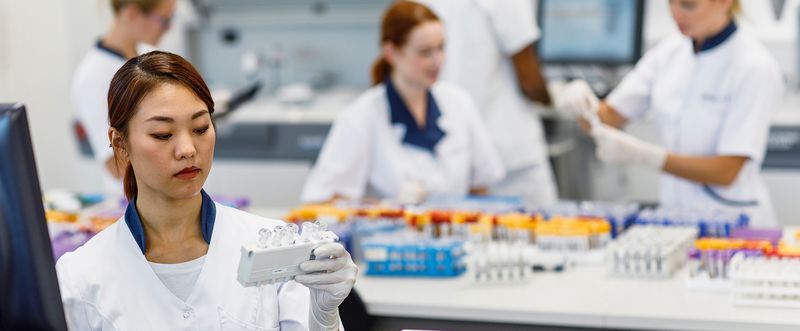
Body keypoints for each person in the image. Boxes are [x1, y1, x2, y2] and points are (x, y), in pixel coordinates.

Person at [56, 51, 358, 330]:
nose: (188, 149)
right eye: (163, 134)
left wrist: (324, 317)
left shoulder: (272, 252)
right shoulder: (80, 278)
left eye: (201, 128)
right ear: (120, 144)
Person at [559, 0, 783, 226]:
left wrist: (649, 156)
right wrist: (582, 106)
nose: (676, 15)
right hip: (676, 220)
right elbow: (606, 120)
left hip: (734, 223)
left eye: (688, 5)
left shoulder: (754, 67)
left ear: (725, 2)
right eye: (670, 3)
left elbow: (726, 172)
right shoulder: (668, 53)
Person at [300, 1, 505, 204]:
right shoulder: (361, 117)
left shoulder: (459, 103)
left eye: (441, 48)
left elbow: (481, 186)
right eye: (425, 52)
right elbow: (321, 203)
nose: (437, 61)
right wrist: (386, 208)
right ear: (391, 52)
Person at [416, 0, 558, 207]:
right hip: (512, 157)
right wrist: (557, 98)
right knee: (539, 232)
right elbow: (530, 82)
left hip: (454, 152)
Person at [72, 0, 176, 194]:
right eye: (163, 20)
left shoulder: (148, 57)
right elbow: (116, 165)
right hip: (135, 199)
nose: (168, 28)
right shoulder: (94, 76)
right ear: (131, 13)